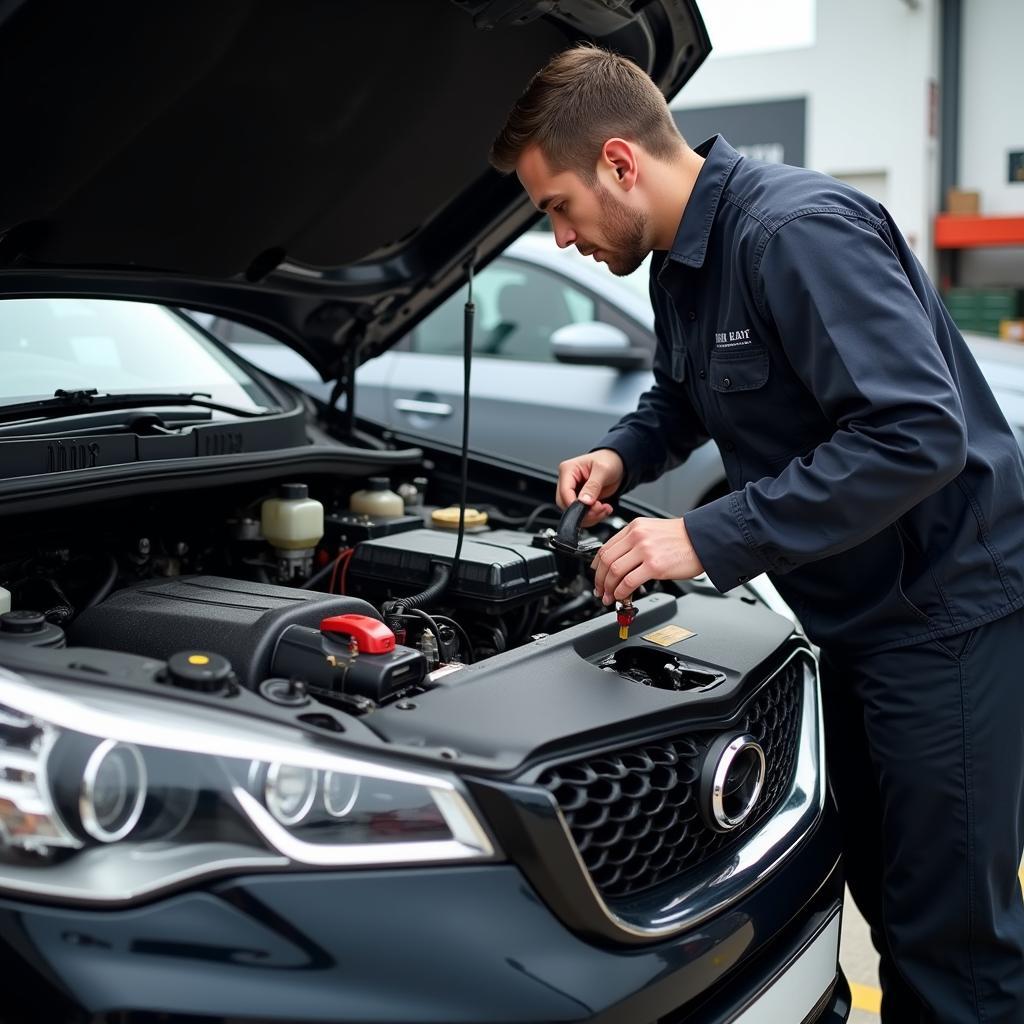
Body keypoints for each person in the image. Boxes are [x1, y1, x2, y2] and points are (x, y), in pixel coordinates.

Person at [489, 44, 1024, 1024]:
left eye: (556, 206)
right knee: (883, 894)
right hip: (856, 617)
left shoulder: (794, 233)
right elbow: (683, 395)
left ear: (618, 161)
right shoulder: (679, 264)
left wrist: (705, 536)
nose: (558, 237)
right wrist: (620, 454)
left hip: (945, 614)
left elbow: (917, 435)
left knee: (953, 944)